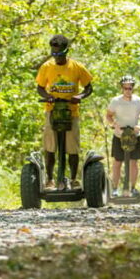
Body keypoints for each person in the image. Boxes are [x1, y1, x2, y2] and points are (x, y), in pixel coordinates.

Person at [35, 35, 93, 190]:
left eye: (59, 55)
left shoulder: (77, 67)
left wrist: (79, 96)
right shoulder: (47, 67)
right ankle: (50, 180)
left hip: (71, 111)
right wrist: (48, 97)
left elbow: (89, 88)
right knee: (50, 146)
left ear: (66, 52)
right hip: (52, 110)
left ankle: (74, 179)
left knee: (72, 147)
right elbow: (40, 87)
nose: (57, 58)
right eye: (54, 54)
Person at [105, 76, 140, 197]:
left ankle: (133, 188)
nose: (128, 90)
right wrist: (114, 124)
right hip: (120, 135)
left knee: (133, 162)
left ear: (133, 88)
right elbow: (108, 115)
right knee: (117, 162)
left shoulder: (138, 101)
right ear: (122, 88)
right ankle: (114, 188)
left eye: (130, 88)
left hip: (134, 135)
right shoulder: (115, 101)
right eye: (125, 88)